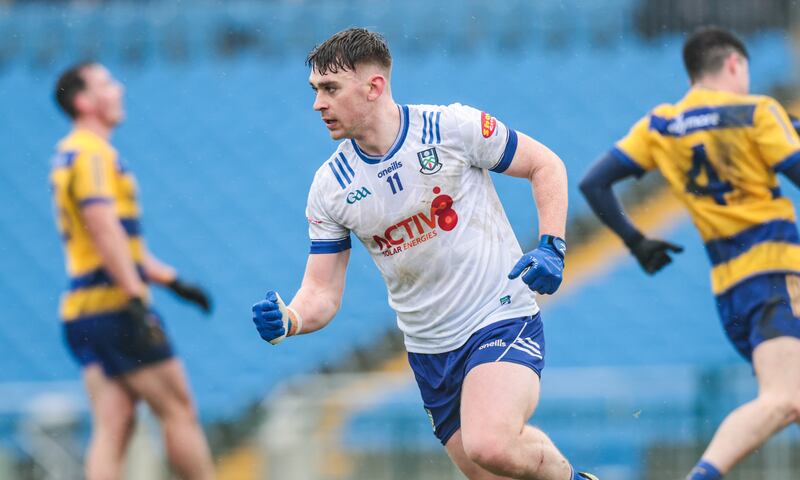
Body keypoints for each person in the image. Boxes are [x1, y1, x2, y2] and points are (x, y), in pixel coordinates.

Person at [252, 28, 598, 480]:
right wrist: (292, 319)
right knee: (490, 470)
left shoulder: (450, 128)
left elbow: (545, 164)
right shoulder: (330, 186)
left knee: (490, 443)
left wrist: (552, 244)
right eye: (316, 90)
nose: (318, 103)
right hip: (429, 350)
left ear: (374, 87)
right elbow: (321, 291)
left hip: (498, 317)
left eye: (330, 89)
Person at [579, 27, 800, 480]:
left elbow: (594, 183)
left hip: (730, 292)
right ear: (735, 64)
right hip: (776, 277)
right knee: (785, 398)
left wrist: (635, 241)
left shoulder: (663, 124)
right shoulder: (757, 111)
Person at [50, 62, 215, 480]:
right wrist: (138, 298)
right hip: (115, 306)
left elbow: (110, 243)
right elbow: (105, 231)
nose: (119, 89)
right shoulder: (93, 153)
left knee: (114, 424)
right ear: (84, 101)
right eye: (106, 83)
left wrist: (172, 281)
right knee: (179, 411)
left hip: (82, 311)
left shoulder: (67, 153)